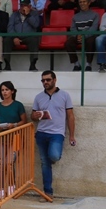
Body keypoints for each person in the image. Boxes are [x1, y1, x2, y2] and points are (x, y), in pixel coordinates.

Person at [32, 71, 76, 199]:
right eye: (43, 80)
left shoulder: (65, 95)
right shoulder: (38, 97)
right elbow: (33, 115)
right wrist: (34, 116)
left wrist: (72, 135)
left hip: (57, 133)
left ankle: (51, 159)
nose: (45, 82)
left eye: (48, 80)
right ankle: (48, 192)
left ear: (55, 80)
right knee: (45, 163)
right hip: (41, 133)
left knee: (54, 156)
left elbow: (70, 116)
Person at [0, 81, 28, 199]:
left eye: (7, 90)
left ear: (12, 91)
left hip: (16, 137)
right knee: (1, 164)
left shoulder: (18, 105)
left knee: (9, 162)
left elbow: (24, 120)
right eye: (2, 90)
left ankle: (11, 187)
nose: (4, 92)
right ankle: (0, 189)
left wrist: (14, 125)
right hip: (2, 137)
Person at [65, 0, 100, 71]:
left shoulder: (95, 15)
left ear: (89, 3)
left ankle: (88, 64)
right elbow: (73, 29)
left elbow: (93, 29)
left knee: (91, 41)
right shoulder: (75, 16)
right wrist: (78, 36)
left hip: (89, 36)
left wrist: (83, 36)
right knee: (68, 42)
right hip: (79, 36)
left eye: (84, 2)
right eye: (80, 2)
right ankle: (76, 64)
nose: (82, 4)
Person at [7, 0, 42, 71]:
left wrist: (28, 15)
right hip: (16, 36)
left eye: (25, 5)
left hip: (29, 36)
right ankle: (7, 64)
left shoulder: (34, 14)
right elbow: (10, 27)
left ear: (29, 6)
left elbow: (36, 25)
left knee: (34, 40)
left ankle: (33, 64)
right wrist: (14, 37)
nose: (23, 7)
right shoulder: (14, 14)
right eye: (21, 5)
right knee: (6, 40)